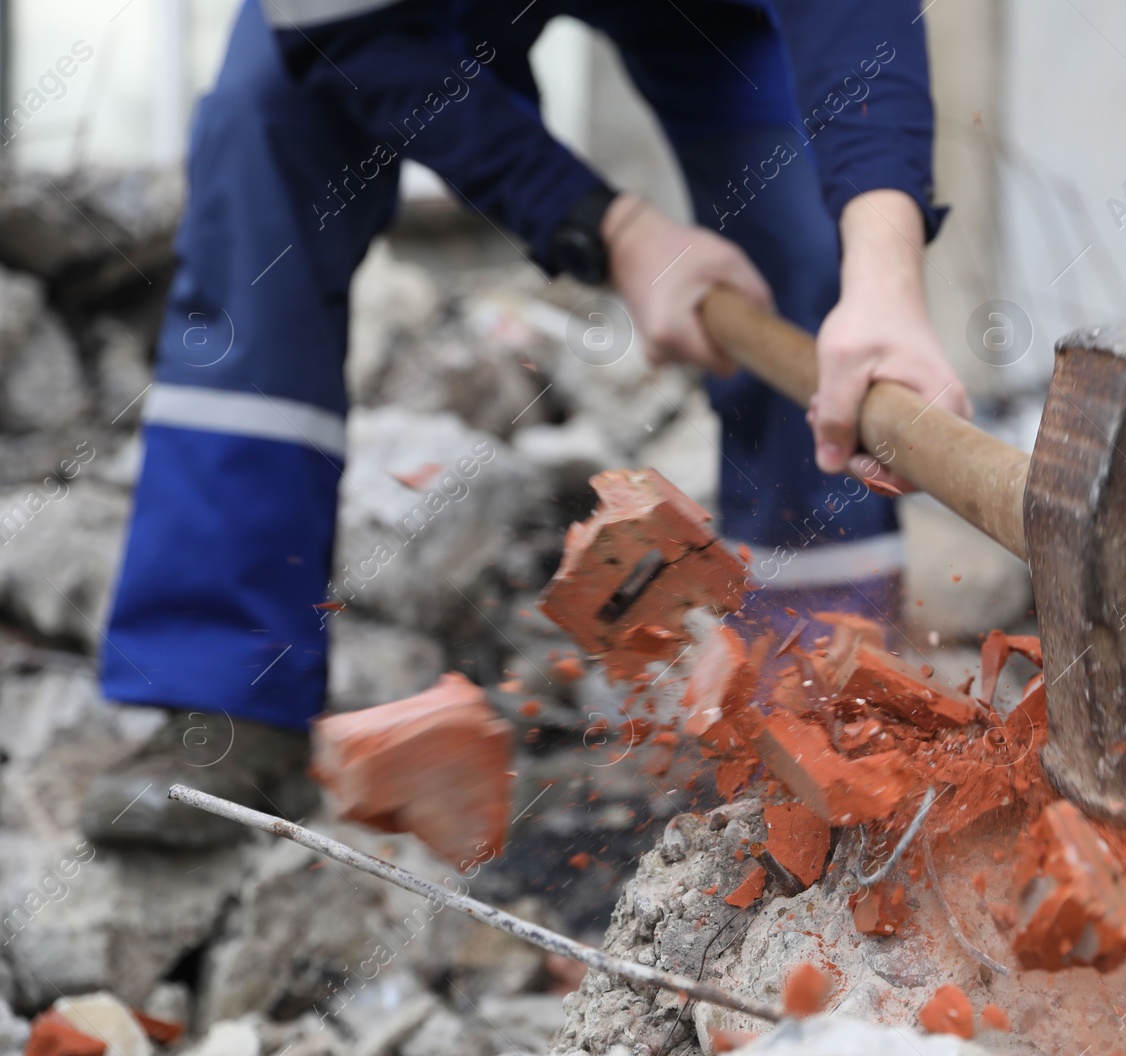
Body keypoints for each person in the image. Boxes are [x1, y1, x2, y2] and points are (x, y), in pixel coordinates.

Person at [84, 0, 970, 848]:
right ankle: (224, 693)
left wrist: (882, 273)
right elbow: (349, 34)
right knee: (264, 137)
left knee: (810, 225)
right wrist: (613, 229)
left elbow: (854, 20)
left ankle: (818, 702)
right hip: (380, 11)